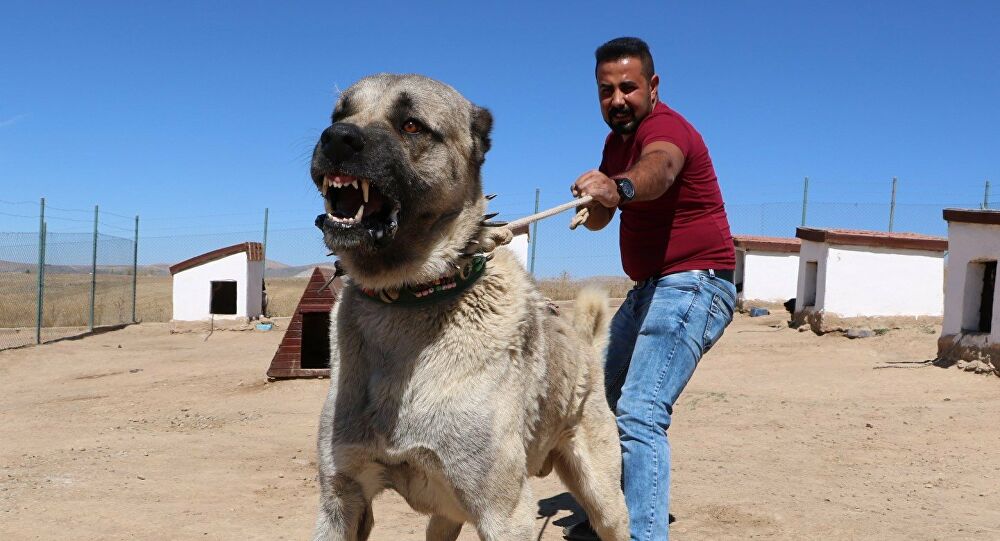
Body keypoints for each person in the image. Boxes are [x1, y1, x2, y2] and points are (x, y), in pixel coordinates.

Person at [565, 37, 737, 541]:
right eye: (605, 91)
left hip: (696, 281)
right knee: (599, 398)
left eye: (627, 87)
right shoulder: (616, 144)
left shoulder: (666, 130)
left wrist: (617, 187)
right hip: (651, 288)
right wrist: (594, 197)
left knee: (640, 410)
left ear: (653, 86)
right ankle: (612, 518)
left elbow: (657, 171)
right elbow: (601, 220)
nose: (616, 99)